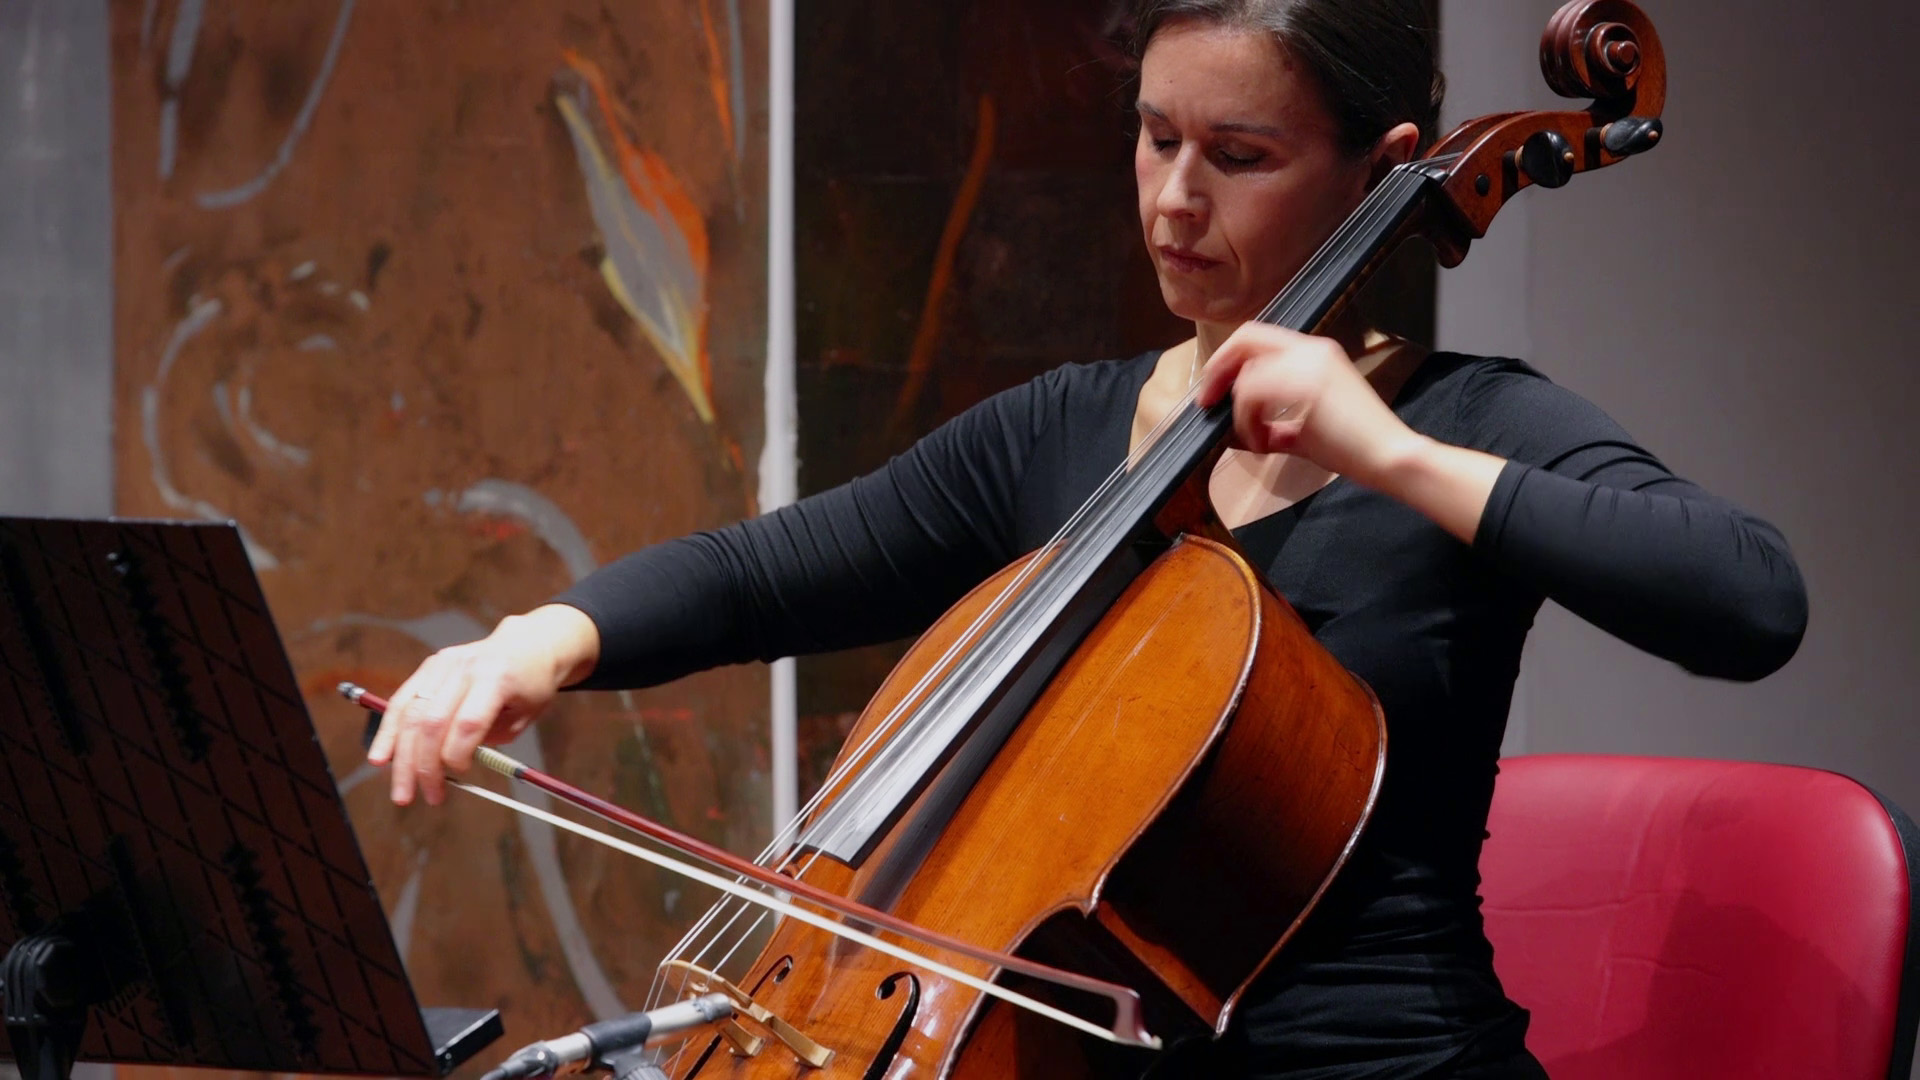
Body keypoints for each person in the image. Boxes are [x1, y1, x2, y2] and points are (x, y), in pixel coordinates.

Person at [367, 1, 1808, 1076]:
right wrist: (535, 644)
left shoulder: (1467, 427)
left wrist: (1389, 453)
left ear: (1382, 170)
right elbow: (763, 575)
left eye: (1238, 155)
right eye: (1157, 137)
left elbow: (1750, 599)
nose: (1176, 197)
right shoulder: (1062, 431)